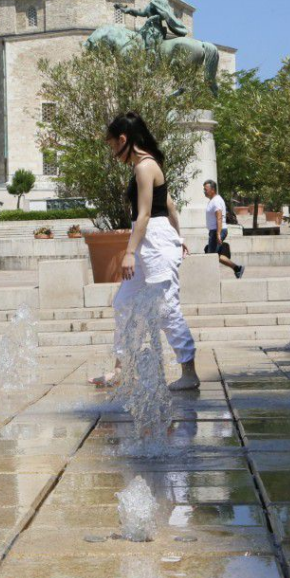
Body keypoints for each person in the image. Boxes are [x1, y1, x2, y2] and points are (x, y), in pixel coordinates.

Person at [89, 112, 199, 391]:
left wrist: (129, 252)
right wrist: (179, 235)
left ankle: (189, 371)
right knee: (124, 303)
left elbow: (146, 214)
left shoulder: (144, 167)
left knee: (166, 306)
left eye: (114, 146)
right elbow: (170, 205)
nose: (114, 153)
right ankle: (121, 369)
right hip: (154, 239)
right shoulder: (147, 165)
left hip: (153, 241)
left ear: (124, 139)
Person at [203, 180, 244, 278]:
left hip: (217, 231)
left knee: (211, 256)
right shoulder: (213, 200)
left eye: (206, 189)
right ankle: (237, 268)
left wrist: (218, 233)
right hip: (214, 231)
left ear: (212, 190)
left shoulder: (216, 200)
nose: (204, 191)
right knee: (213, 254)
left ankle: (211, 278)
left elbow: (219, 217)